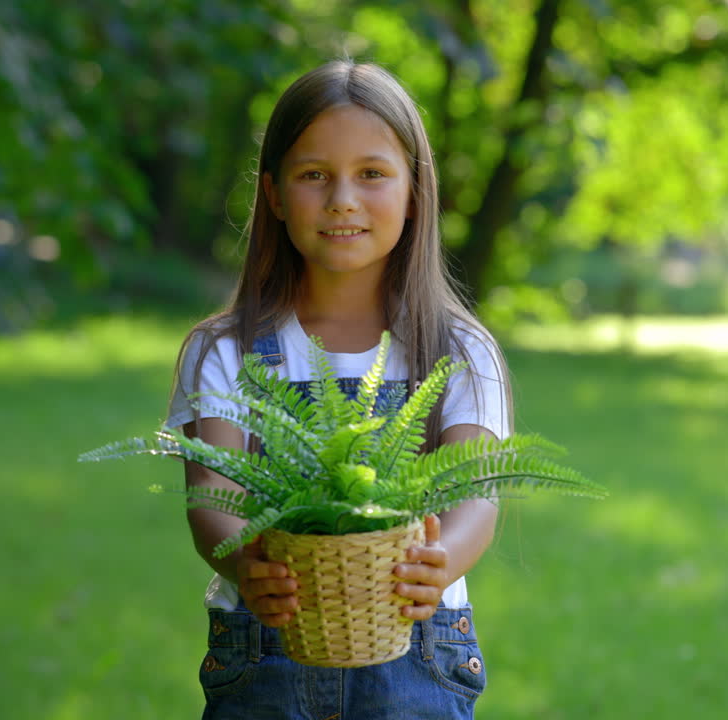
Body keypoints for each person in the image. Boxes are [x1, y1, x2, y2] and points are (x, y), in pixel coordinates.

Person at [165, 59, 513, 720]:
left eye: (373, 174)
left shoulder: (460, 351)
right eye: (314, 175)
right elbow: (213, 500)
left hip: (418, 650)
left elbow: (476, 496)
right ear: (273, 194)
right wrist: (247, 562)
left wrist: (441, 561)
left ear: (416, 190)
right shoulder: (225, 350)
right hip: (264, 654)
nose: (342, 200)